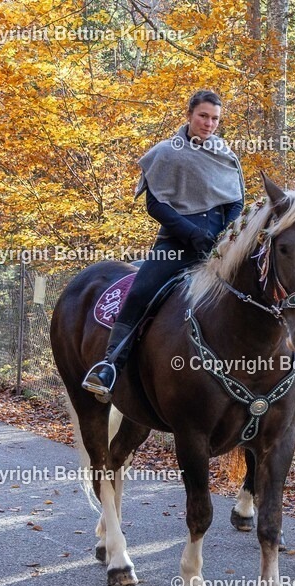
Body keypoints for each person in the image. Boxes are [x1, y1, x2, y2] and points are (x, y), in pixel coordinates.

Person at [82, 90, 245, 401]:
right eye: (203, 116)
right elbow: (155, 204)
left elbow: (236, 202)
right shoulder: (168, 152)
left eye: (215, 119)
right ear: (189, 115)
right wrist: (190, 232)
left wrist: (225, 233)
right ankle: (110, 364)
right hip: (176, 243)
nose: (209, 123)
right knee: (141, 291)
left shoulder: (225, 153)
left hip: (220, 246)